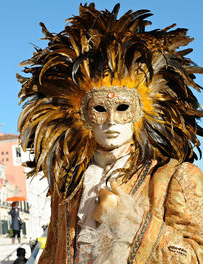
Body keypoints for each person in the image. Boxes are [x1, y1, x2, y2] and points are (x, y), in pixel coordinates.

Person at [17, 3, 203, 263]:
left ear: (142, 113)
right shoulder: (68, 186)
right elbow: (51, 254)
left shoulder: (175, 178)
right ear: (81, 115)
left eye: (123, 108)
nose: (111, 121)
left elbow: (196, 255)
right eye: (100, 109)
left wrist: (126, 219)